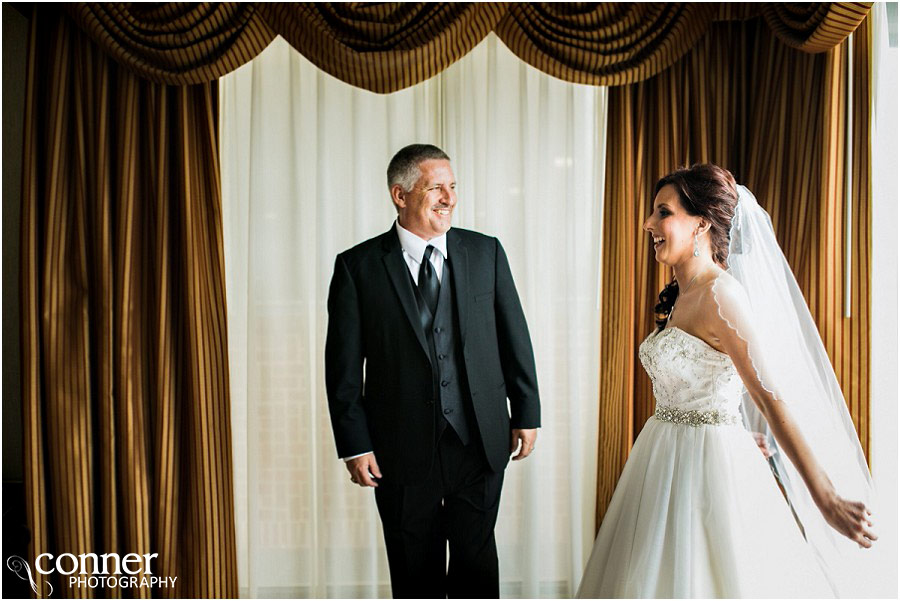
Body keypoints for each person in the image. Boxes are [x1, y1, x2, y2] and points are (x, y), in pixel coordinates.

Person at [576, 164, 877, 598]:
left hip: (707, 470)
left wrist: (825, 497)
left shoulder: (722, 295)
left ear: (700, 223)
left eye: (663, 212)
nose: (649, 224)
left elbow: (772, 401)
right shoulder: (680, 296)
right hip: (659, 460)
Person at [325, 144, 541, 598]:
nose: (450, 198)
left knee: (477, 567)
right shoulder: (357, 267)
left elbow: (513, 338)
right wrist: (354, 444)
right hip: (399, 446)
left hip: (479, 439)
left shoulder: (486, 253)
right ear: (400, 194)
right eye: (436, 188)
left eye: (453, 186)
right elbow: (342, 370)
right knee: (413, 570)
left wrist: (526, 411)